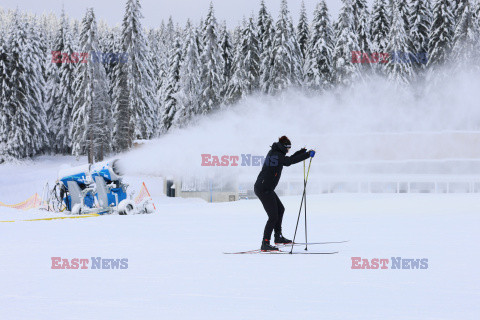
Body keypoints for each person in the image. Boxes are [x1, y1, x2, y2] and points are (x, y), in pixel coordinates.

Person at [254, 136, 315, 251]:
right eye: (288, 148)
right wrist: (306, 155)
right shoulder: (276, 154)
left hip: (267, 188)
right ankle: (265, 243)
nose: (289, 150)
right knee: (273, 216)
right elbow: (289, 161)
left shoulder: (277, 152)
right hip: (263, 189)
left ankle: (278, 237)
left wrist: (301, 152)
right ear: (284, 147)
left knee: (280, 209)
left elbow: (288, 159)